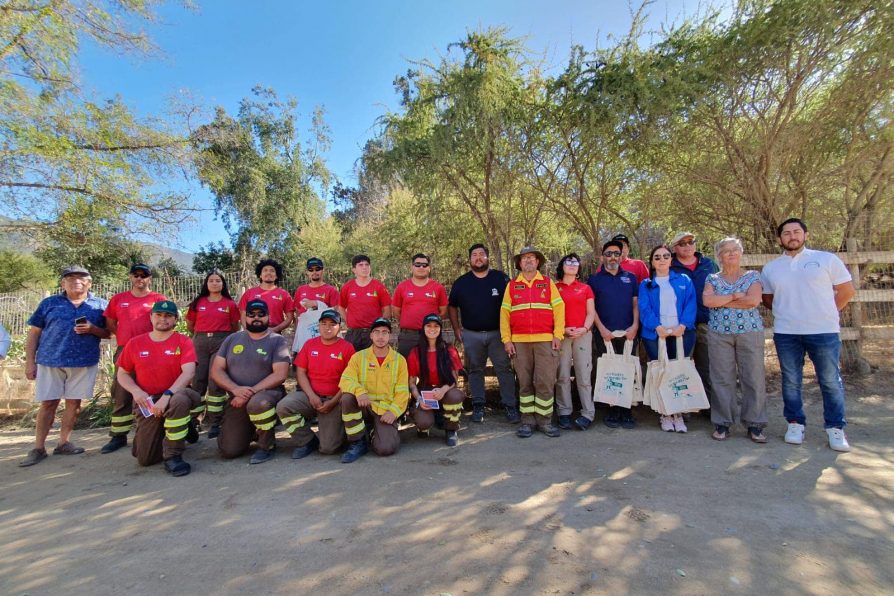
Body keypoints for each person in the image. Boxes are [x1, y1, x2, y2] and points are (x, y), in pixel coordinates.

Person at [761, 218, 856, 452]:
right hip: (787, 332)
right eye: (786, 233)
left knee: (830, 381)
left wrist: (826, 312)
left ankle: (835, 428)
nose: (792, 236)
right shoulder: (771, 268)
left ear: (805, 234)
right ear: (779, 238)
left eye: (796, 232)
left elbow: (846, 291)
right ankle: (795, 423)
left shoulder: (826, 259)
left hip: (823, 331)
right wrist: (789, 313)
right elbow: (768, 299)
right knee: (791, 380)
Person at [20, 266, 109, 467]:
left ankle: (63, 443)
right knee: (48, 403)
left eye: (81, 277)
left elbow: (109, 333)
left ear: (89, 283)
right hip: (50, 360)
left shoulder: (101, 305)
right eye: (70, 277)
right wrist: (29, 362)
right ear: (63, 283)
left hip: (83, 361)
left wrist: (93, 329)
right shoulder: (49, 303)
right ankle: (38, 447)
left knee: (74, 404)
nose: (76, 280)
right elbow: (34, 333)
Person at [116, 300, 202, 476]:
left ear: (175, 320)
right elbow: (122, 374)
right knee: (145, 459)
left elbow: (188, 373)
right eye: (159, 315)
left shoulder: (183, 341)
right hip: (148, 401)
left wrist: (167, 395)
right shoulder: (135, 343)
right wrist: (136, 391)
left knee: (178, 401)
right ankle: (184, 427)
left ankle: (173, 456)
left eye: (168, 316)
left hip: (176, 394)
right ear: (151, 317)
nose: (163, 319)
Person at [703, 237, 768, 443]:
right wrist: (735, 296)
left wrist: (723, 301)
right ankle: (722, 423)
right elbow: (709, 301)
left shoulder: (752, 276)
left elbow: (753, 301)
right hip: (719, 333)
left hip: (749, 332)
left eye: (734, 250)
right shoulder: (712, 278)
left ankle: (755, 424)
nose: (730, 253)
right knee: (722, 378)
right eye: (725, 251)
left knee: (753, 376)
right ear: (719, 256)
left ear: (741, 253)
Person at [211, 299, 291, 464]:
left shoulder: (277, 340)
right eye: (251, 315)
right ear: (244, 317)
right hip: (236, 398)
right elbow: (216, 370)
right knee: (229, 450)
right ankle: (252, 430)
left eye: (261, 315)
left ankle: (266, 445)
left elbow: (280, 374)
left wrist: (249, 392)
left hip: (267, 395)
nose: (256, 318)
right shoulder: (232, 339)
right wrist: (235, 389)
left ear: (268, 317)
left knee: (258, 404)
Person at [100, 263, 168, 454]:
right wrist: (126, 340)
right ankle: (118, 436)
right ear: (130, 277)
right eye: (136, 275)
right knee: (121, 392)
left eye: (144, 275)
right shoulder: (118, 299)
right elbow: (111, 323)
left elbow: (165, 322)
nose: (140, 279)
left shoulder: (158, 299)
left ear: (149, 278)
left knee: (152, 390)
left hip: (152, 350)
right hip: (126, 350)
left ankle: (151, 431)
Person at [501, 246, 565, 439]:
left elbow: (559, 309)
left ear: (538, 262)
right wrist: (507, 340)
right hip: (519, 343)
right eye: (524, 258)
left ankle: (545, 421)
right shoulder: (512, 285)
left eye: (532, 258)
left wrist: (558, 335)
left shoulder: (547, 283)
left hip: (545, 341)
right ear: (519, 263)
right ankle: (527, 421)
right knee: (525, 383)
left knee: (545, 381)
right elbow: (504, 315)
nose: (528, 261)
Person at [448, 243, 516, 423]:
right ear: (470, 260)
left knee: (504, 369)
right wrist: (456, 328)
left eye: (481, 254)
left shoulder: (501, 279)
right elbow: (452, 306)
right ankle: (478, 406)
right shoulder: (461, 282)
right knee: (475, 370)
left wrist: (511, 331)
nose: (478, 257)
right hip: (471, 334)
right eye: (474, 255)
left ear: (487, 257)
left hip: (498, 334)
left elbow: (513, 305)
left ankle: (510, 406)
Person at [276, 309, 355, 459]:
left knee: (328, 448)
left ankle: (339, 431)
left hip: (334, 400)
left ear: (340, 327)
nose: (327, 327)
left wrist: (333, 402)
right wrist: (311, 396)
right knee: (284, 406)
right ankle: (306, 441)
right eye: (323, 323)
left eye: (332, 324)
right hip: (310, 397)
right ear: (318, 326)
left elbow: (350, 379)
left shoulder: (347, 348)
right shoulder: (309, 344)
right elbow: (300, 372)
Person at [639, 245, 697, 433]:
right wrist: (657, 327)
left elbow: (690, 304)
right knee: (661, 373)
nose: (662, 260)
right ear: (652, 262)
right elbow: (644, 308)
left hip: (681, 333)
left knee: (678, 373)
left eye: (665, 256)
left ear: (671, 259)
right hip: (656, 334)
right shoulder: (646, 284)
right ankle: (664, 413)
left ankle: (678, 412)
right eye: (657, 257)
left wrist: (683, 326)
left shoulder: (684, 280)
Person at [338, 317, 410, 463]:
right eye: (376, 332)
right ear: (371, 335)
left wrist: (394, 412)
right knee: (347, 398)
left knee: (386, 449)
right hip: (364, 405)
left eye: (385, 332)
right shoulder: (359, 357)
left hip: (385, 410)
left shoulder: (400, 360)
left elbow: (403, 391)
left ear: (390, 335)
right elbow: (345, 380)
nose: (380, 336)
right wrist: (359, 391)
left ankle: (374, 432)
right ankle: (357, 442)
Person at [587, 239, 640, 429]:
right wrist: (601, 329)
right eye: (608, 254)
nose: (612, 257)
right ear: (602, 257)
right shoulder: (594, 280)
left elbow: (636, 304)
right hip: (605, 334)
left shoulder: (631, 278)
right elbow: (591, 309)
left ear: (621, 256)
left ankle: (626, 409)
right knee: (609, 372)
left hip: (629, 333)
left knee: (627, 370)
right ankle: (612, 409)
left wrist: (634, 325)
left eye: (616, 253)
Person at [186, 270, 240, 439]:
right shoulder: (198, 303)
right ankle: (194, 419)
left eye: (218, 280)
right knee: (198, 380)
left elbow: (234, 326)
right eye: (211, 280)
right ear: (206, 284)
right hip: (200, 341)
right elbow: (190, 324)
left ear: (223, 284)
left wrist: (222, 339)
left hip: (221, 341)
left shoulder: (229, 304)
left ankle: (215, 421)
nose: (215, 283)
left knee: (215, 380)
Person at [670, 232, 719, 408]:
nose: (687, 246)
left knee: (707, 367)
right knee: (682, 367)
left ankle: (709, 407)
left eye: (691, 242)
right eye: (682, 243)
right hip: (681, 325)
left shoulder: (709, 265)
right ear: (675, 248)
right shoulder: (670, 266)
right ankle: (684, 406)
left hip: (707, 322)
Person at [408, 314, 465, 447]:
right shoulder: (415, 352)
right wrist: (419, 399)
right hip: (425, 392)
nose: (432, 329)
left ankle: (451, 429)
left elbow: (454, 379)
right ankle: (424, 425)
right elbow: (411, 383)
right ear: (423, 328)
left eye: (436, 326)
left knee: (455, 395)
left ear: (440, 329)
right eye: (429, 325)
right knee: (424, 422)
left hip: (444, 390)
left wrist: (443, 390)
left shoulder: (449, 349)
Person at [554, 253, 595, 430]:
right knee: (562, 375)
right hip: (561, 336)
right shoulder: (554, 288)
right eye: (568, 261)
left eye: (575, 262)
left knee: (584, 376)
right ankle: (564, 412)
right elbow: (550, 314)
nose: (572, 264)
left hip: (583, 335)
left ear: (579, 268)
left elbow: (591, 313)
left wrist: (584, 329)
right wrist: (562, 330)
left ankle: (587, 413)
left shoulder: (585, 288)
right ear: (562, 266)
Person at [392, 253, 448, 356]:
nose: (421, 267)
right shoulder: (402, 287)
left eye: (424, 265)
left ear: (429, 268)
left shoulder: (438, 288)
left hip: (431, 336)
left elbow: (443, 312)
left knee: (431, 369)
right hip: (408, 337)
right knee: (405, 369)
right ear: (412, 267)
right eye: (417, 264)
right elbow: (396, 312)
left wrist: (430, 327)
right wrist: (410, 323)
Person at [338, 254, 392, 351]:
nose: (364, 267)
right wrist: (348, 321)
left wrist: (380, 328)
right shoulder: (347, 287)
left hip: (372, 333)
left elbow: (387, 309)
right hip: (353, 334)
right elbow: (341, 307)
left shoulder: (379, 287)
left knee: (372, 363)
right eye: (361, 265)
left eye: (367, 265)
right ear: (354, 269)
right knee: (352, 362)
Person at [238, 258, 294, 333]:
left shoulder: (284, 294)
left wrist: (275, 329)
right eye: (265, 270)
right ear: (260, 275)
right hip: (252, 333)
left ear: (276, 276)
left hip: (274, 334)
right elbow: (243, 316)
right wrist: (249, 331)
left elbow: (290, 318)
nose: (268, 273)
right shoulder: (249, 293)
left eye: (272, 271)